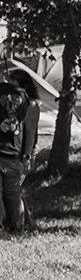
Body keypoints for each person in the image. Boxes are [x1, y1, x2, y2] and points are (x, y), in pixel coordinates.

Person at [0, 70, 40, 235]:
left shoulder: (30, 106)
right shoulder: (6, 103)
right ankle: (18, 224)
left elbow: (29, 134)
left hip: (20, 153)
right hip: (7, 151)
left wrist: (26, 157)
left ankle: (18, 224)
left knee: (12, 191)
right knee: (11, 191)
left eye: (13, 84)